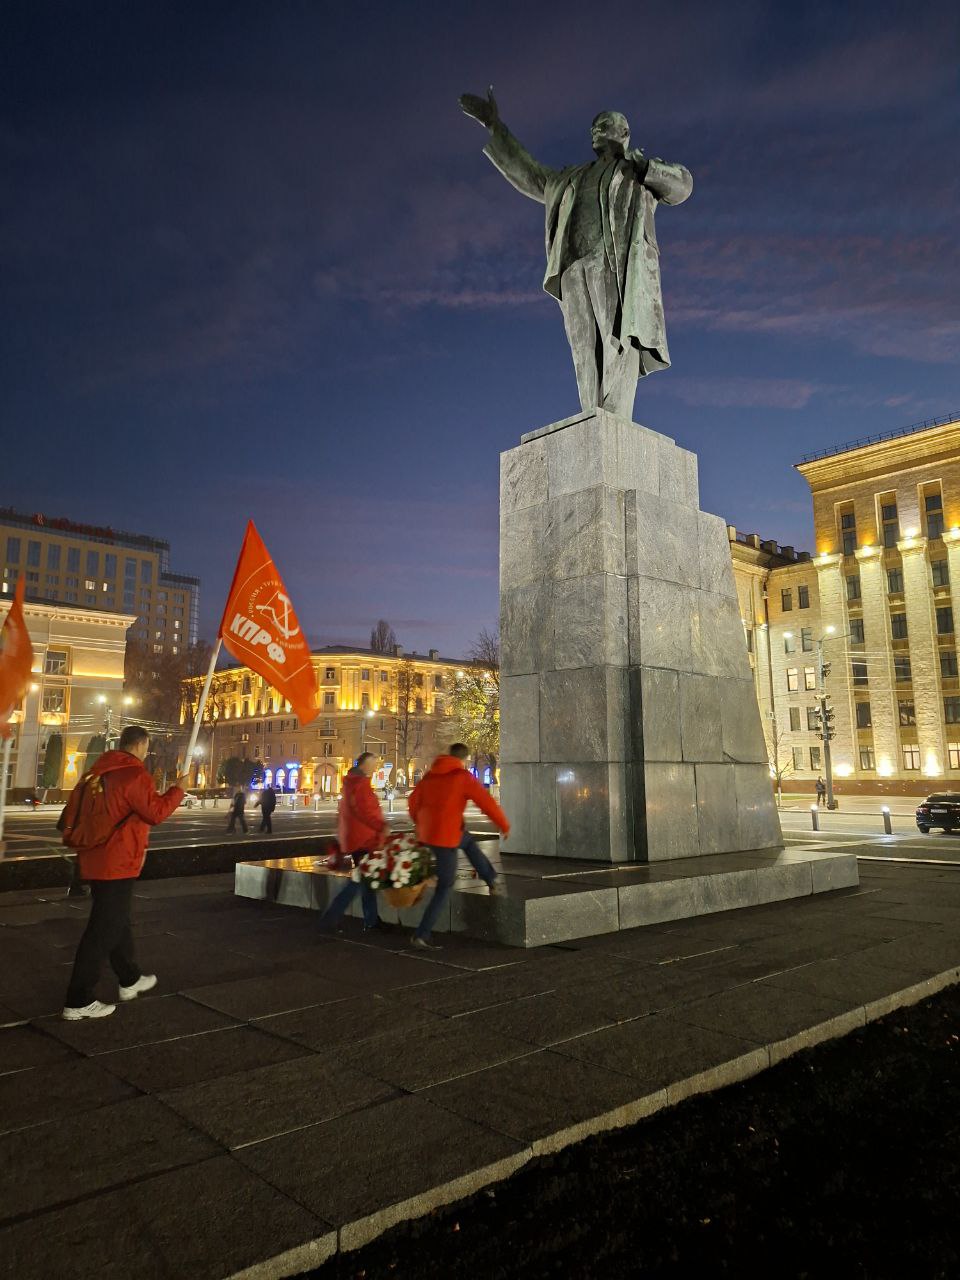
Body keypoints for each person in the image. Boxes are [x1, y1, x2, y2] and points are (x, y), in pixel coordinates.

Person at [459, 88, 692, 420]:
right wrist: (495, 126)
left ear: (624, 133)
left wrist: (647, 167)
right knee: (583, 348)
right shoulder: (571, 177)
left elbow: (683, 185)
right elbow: (530, 173)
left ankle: (615, 415)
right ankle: (592, 414)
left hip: (616, 263)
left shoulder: (636, 173)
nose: (595, 130)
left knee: (617, 340)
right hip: (573, 266)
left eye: (604, 124)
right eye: (593, 126)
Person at [62, 725, 186, 1020]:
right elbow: (155, 812)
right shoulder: (134, 775)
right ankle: (78, 999)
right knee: (102, 930)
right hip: (117, 860)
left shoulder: (96, 772)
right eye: (147, 747)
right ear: (141, 745)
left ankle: (129, 978)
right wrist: (178, 789)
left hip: (94, 857)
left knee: (116, 919)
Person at [408, 743, 510, 950]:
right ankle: (421, 934)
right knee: (445, 886)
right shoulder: (461, 776)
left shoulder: (429, 776)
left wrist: (421, 823)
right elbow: (486, 802)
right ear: (464, 759)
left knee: (468, 842)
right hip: (445, 837)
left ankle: (490, 879)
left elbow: (412, 802)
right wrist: (503, 824)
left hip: (431, 834)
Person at [318, 753, 387, 933]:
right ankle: (330, 918)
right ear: (364, 764)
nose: (375, 768)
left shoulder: (352, 782)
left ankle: (372, 920)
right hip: (364, 839)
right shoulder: (360, 784)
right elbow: (366, 811)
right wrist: (382, 826)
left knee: (366, 880)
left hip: (357, 838)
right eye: (373, 764)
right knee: (358, 881)